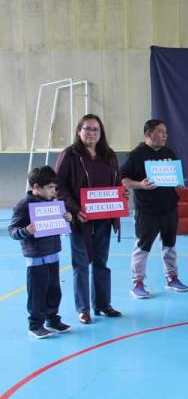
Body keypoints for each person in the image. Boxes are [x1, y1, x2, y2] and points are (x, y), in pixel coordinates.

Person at [56, 114, 124, 324]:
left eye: (96, 129)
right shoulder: (69, 154)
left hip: (104, 219)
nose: (92, 133)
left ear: (101, 132)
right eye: (87, 129)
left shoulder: (109, 155)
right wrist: (75, 209)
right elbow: (59, 186)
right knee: (81, 265)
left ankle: (103, 305)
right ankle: (83, 309)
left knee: (101, 263)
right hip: (80, 220)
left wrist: (121, 195)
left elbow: (117, 182)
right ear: (79, 131)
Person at [120, 119, 188, 299]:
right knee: (143, 246)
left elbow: (175, 176)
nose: (165, 135)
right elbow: (124, 180)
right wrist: (140, 184)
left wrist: (178, 182)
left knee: (170, 244)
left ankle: (172, 278)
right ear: (148, 134)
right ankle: (138, 282)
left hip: (169, 208)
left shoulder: (169, 153)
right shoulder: (137, 154)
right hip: (147, 210)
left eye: (165, 132)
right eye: (160, 131)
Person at [9, 166, 73, 338]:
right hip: (36, 257)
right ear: (36, 187)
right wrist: (26, 231)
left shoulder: (53, 203)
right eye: (50, 188)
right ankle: (35, 324)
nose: (54, 191)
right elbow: (12, 230)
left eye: (55, 188)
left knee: (54, 289)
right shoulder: (24, 206)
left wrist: (67, 218)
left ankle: (52, 319)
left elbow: (61, 225)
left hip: (53, 253)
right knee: (37, 291)